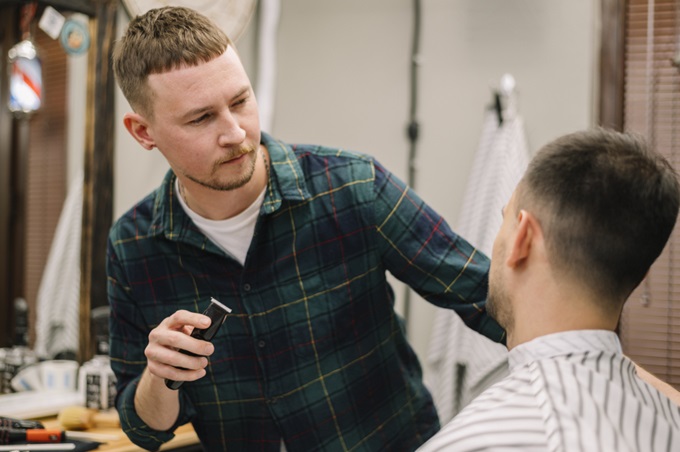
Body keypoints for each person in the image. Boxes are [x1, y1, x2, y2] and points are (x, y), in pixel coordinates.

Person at [107, 6, 505, 451]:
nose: (236, 133)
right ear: (144, 132)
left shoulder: (354, 186)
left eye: (240, 101)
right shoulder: (132, 245)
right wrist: (160, 376)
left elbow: (487, 297)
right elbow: (144, 430)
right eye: (201, 119)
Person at [418, 128, 680, 451]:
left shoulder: (471, 443)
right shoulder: (670, 420)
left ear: (522, 238)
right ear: (640, 274)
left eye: (505, 219)